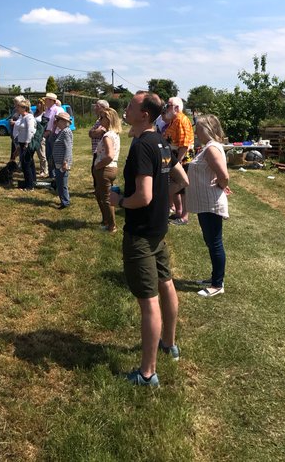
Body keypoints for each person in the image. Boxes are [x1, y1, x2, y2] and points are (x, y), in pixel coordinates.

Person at [108, 92, 179, 387]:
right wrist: (168, 201)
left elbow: (143, 196)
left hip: (140, 233)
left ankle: (147, 373)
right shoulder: (162, 142)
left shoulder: (142, 147)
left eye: (130, 106)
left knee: (148, 302)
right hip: (158, 230)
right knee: (166, 284)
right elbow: (182, 181)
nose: (124, 109)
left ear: (144, 115)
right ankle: (169, 345)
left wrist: (119, 201)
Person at [185, 114, 231, 298]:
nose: (196, 131)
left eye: (198, 127)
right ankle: (214, 278)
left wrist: (221, 186)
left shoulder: (212, 149)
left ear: (207, 129)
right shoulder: (208, 148)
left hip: (211, 202)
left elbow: (224, 175)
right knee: (211, 241)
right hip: (206, 202)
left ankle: (217, 284)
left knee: (215, 243)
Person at [164, 97, 195, 225]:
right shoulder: (173, 120)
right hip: (174, 158)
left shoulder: (182, 120)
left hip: (182, 160)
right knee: (175, 187)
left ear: (177, 108)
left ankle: (184, 217)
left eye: (169, 105)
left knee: (183, 189)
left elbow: (184, 145)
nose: (166, 107)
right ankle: (178, 212)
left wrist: (179, 163)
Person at [92, 108, 122, 232]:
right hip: (111, 168)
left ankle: (112, 225)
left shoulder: (107, 136)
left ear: (109, 119)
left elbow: (109, 155)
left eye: (102, 118)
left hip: (105, 169)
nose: (100, 120)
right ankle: (106, 220)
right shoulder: (114, 134)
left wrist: (98, 166)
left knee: (106, 198)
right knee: (100, 195)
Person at [52, 111, 74, 209]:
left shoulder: (66, 132)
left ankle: (65, 202)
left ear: (64, 121)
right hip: (58, 162)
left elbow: (68, 148)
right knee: (59, 183)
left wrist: (65, 162)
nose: (56, 122)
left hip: (62, 163)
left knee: (62, 184)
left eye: (58, 120)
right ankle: (63, 200)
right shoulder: (62, 131)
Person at [13, 99, 37, 190]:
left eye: (19, 107)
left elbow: (30, 131)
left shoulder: (29, 117)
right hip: (22, 143)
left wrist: (27, 143)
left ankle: (29, 186)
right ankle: (31, 181)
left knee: (26, 164)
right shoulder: (21, 117)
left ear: (24, 108)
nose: (17, 108)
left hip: (28, 143)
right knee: (29, 163)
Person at [42, 93, 61, 180]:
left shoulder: (58, 110)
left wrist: (50, 132)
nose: (45, 101)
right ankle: (51, 174)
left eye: (46, 99)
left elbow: (59, 124)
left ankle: (56, 175)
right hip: (47, 135)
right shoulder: (47, 110)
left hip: (55, 135)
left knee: (55, 155)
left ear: (51, 100)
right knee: (48, 155)